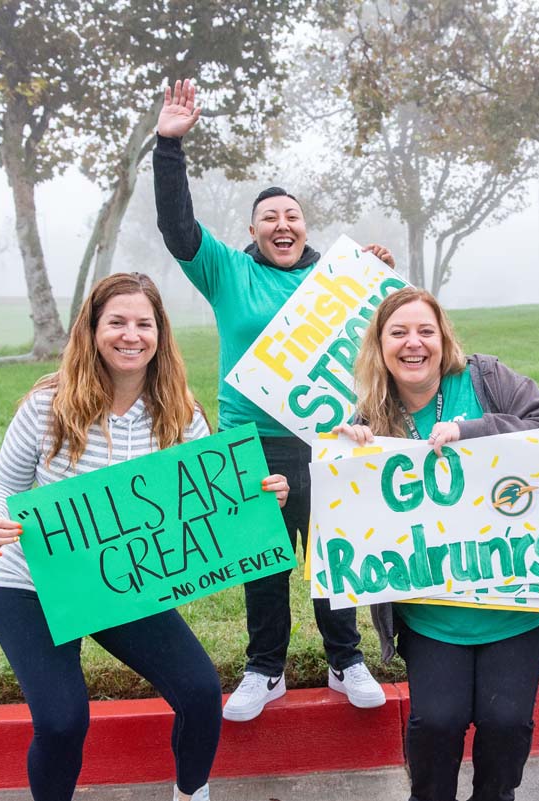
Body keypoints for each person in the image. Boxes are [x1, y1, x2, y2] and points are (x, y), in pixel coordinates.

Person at [0, 273, 291, 801]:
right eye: (117, 322)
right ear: (92, 329)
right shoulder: (48, 404)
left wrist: (261, 496)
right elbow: (1, 484)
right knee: (61, 721)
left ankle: (191, 793)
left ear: (160, 333)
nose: (131, 335)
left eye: (144, 324)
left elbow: (211, 496)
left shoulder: (180, 413)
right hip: (32, 586)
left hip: (121, 588)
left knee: (200, 693)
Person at [153, 78, 391, 721]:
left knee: (334, 554)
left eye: (292, 216)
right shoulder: (226, 270)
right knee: (264, 563)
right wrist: (169, 147)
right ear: (253, 229)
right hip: (251, 443)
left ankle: (346, 660)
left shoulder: (335, 280)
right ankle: (265, 669)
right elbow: (177, 227)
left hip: (327, 440)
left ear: (304, 226)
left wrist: (374, 275)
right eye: (270, 218)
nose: (283, 225)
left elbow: (383, 338)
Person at [334, 286, 539, 801]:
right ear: (380, 345)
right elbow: (349, 514)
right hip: (432, 616)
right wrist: (346, 459)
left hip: (515, 605)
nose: (413, 343)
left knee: (505, 724)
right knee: (437, 724)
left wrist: (474, 430)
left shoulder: (486, 380)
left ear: (443, 338)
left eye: (425, 331)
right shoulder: (371, 417)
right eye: (398, 333)